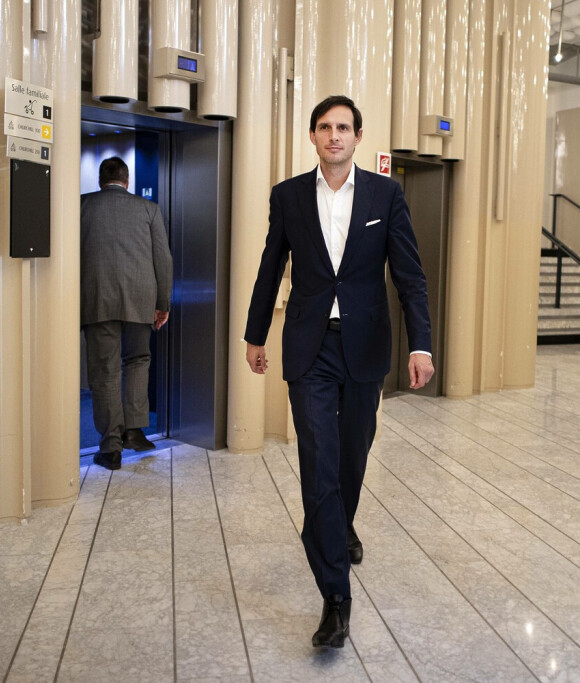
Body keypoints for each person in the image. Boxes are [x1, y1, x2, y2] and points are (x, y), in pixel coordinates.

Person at [244, 95, 435, 648]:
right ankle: (335, 596)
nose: (334, 136)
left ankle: (337, 524)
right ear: (312, 136)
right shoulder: (288, 196)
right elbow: (269, 268)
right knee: (319, 464)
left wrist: (421, 345)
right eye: (325, 127)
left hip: (365, 347)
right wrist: (255, 335)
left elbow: (410, 276)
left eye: (344, 128)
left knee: (352, 454)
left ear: (357, 137)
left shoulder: (385, 195)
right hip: (309, 348)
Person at [80, 157, 172, 471]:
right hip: (141, 300)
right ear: (127, 180)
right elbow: (163, 259)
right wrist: (163, 303)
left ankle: (110, 448)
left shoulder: (83, 206)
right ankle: (133, 430)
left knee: (105, 370)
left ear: (100, 180)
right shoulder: (149, 209)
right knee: (138, 360)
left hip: (98, 298)